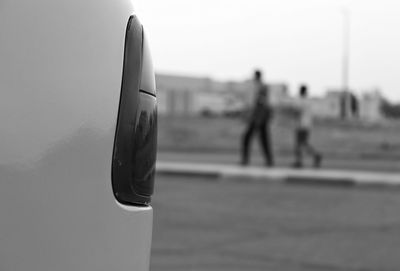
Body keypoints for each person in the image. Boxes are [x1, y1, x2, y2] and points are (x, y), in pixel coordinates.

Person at [241, 70, 274, 166]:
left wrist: (256, 118)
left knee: (248, 138)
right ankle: (268, 160)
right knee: (263, 139)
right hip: (259, 117)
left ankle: (246, 159)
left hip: (259, 118)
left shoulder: (261, 87)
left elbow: (261, 103)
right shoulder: (259, 87)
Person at [292, 85, 322, 168]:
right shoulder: (308, 101)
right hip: (307, 124)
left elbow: (297, 112)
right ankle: (314, 156)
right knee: (303, 143)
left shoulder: (300, 101)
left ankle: (300, 161)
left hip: (301, 125)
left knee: (299, 144)